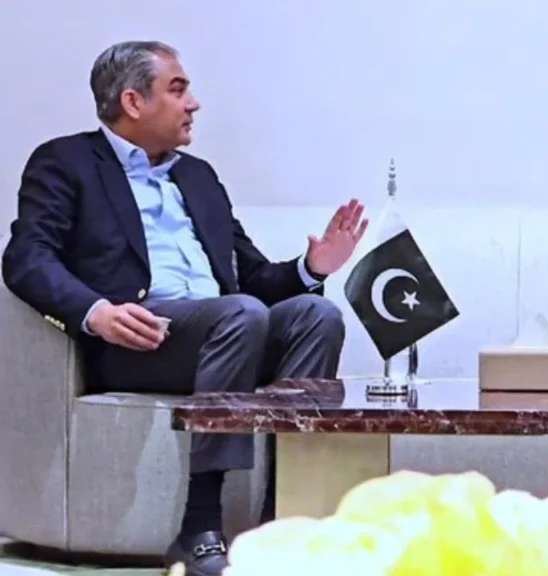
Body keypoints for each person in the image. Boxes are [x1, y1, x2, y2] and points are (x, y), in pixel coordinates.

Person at [1, 41, 368, 576]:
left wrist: (311, 269)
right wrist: (96, 312)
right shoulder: (67, 162)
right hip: (141, 339)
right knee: (240, 315)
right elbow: (26, 257)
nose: (193, 103)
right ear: (133, 101)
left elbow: (252, 279)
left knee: (318, 315)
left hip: (229, 328)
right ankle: (200, 524)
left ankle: (282, 518)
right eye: (177, 90)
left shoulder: (198, 176)